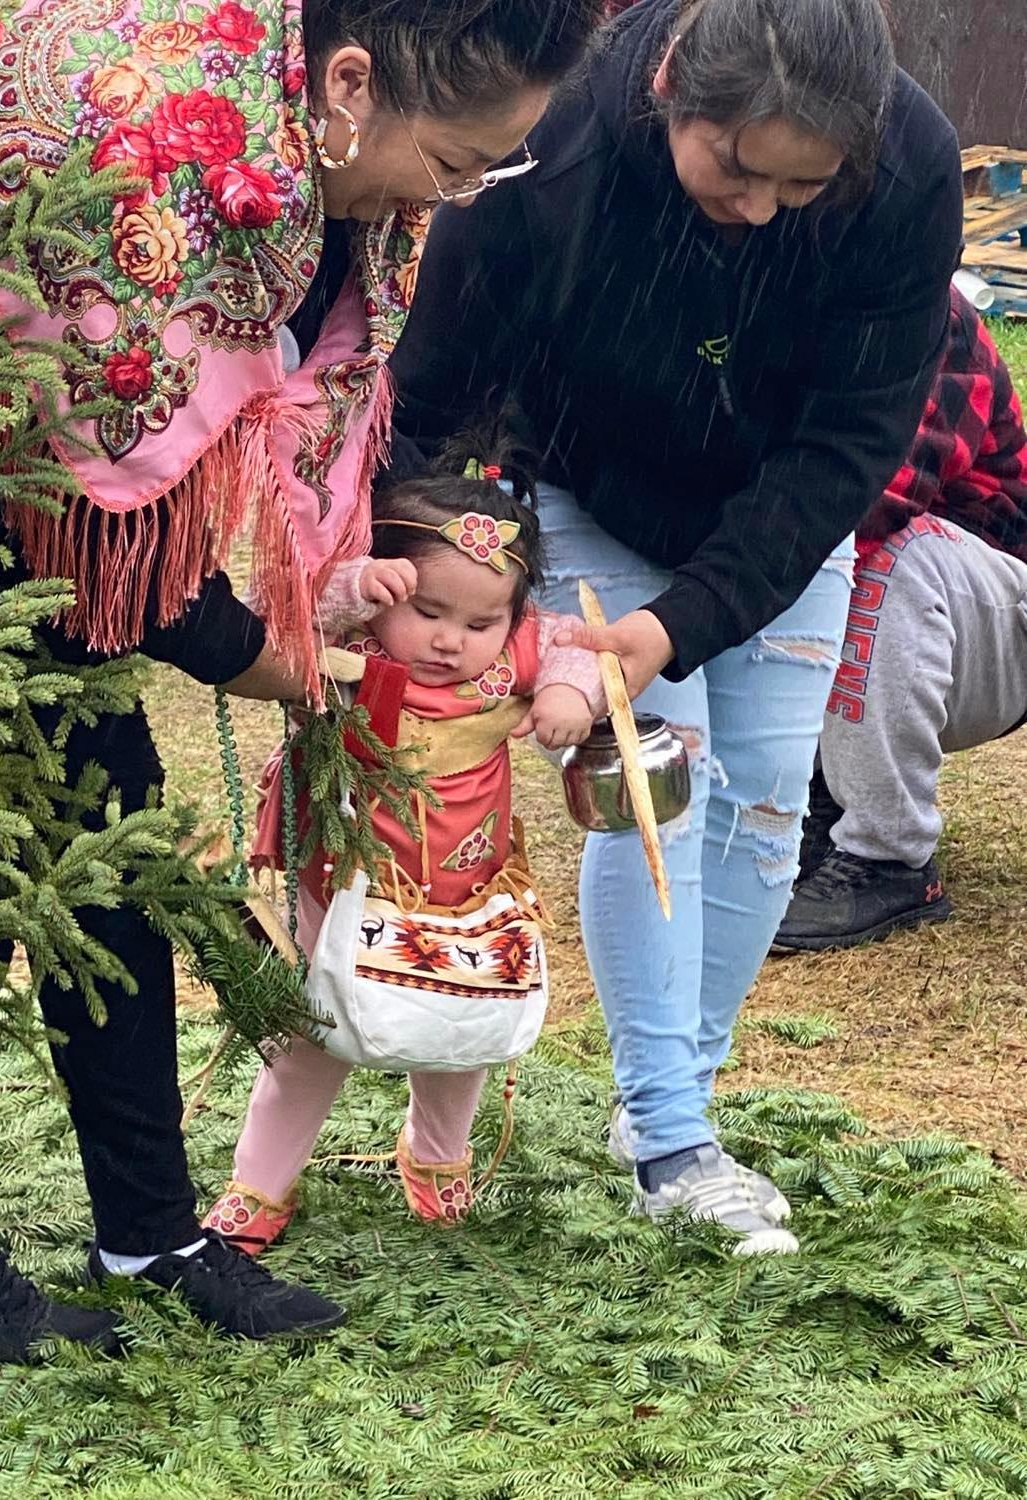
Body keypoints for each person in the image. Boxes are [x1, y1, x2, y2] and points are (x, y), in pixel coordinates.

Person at [0, 0, 599, 1363]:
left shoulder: (328, 181)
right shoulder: (150, 160)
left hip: (42, 494)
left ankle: (150, 1235)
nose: (455, 197)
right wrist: (270, 658)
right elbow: (95, 519)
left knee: (112, 865)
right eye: (459, 160)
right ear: (351, 84)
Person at [388, 0, 963, 1254]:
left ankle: (675, 1097)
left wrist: (688, 618)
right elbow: (431, 383)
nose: (763, 210)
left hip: (779, 511)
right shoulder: (556, 139)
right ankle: (670, 1137)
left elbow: (851, 440)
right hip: (592, 484)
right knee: (656, 783)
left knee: (767, 809)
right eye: (739, 170)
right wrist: (411, 566)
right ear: (668, 88)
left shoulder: (912, 172)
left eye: (803, 187)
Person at [202, 440, 605, 1252]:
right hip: (344, 873)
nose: (451, 640)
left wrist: (570, 691)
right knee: (312, 1033)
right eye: (428, 611)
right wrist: (349, 585)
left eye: (481, 623)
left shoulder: (519, 652)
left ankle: (437, 1156)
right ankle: (260, 1183)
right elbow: (270, 612)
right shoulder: (355, 639)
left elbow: (577, 642)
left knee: (460, 1023)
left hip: (467, 883)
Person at [775, 286, 1027, 950]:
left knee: (874, 546)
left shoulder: (927, 315)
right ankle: (818, 802)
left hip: (995, 623)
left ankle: (889, 855)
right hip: (896, 614)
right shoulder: (761, 306)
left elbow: (879, 495)